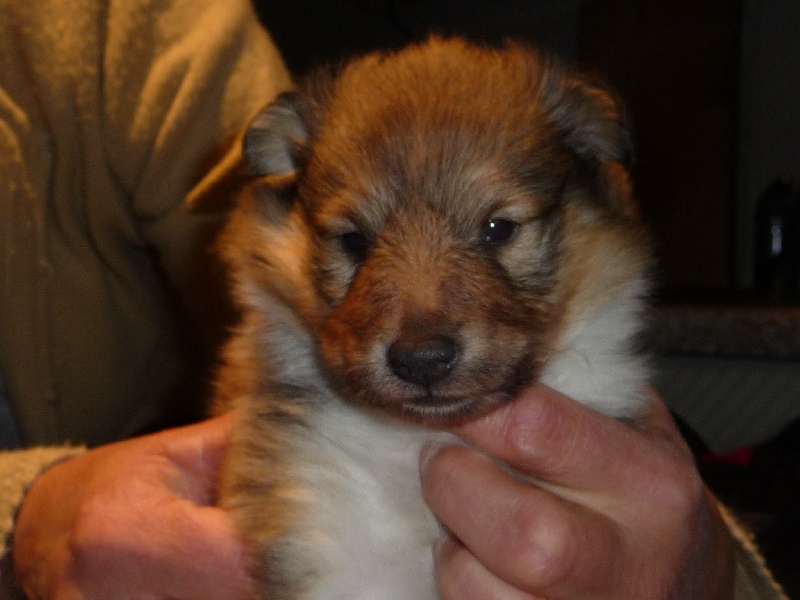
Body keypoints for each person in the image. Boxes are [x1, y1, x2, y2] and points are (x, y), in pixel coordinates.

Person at [0, 0, 787, 598]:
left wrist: (711, 569)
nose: (420, 334)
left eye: (496, 229)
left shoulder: (132, 30)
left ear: (598, 185)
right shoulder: (308, 396)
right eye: (355, 243)